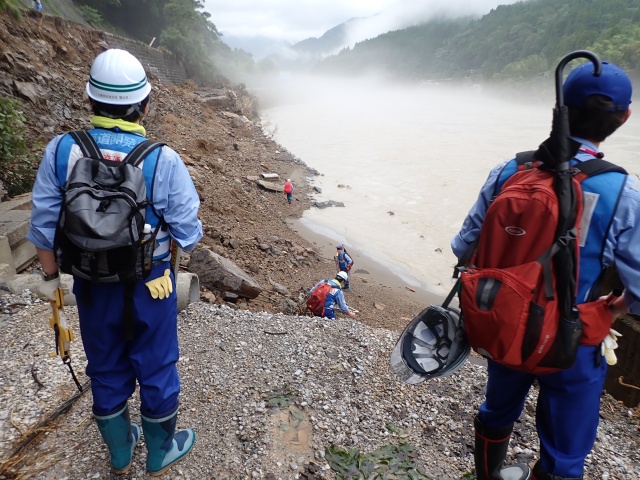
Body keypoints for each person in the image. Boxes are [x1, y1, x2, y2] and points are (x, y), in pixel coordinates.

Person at [451, 61, 637, 480]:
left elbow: (464, 245)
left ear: (559, 108)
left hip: (505, 323)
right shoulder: (625, 193)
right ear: (624, 118)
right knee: (566, 454)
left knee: (496, 410)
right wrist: (615, 308)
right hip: (574, 340)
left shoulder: (510, 170)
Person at [27, 49, 203, 476]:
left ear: (90, 101)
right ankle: (160, 453)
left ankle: (121, 452)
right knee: (157, 363)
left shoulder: (61, 151)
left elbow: (42, 228)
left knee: (104, 361)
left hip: (90, 281)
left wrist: (51, 279)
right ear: (144, 106)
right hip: (152, 283)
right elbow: (188, 233)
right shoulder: (162, 158)